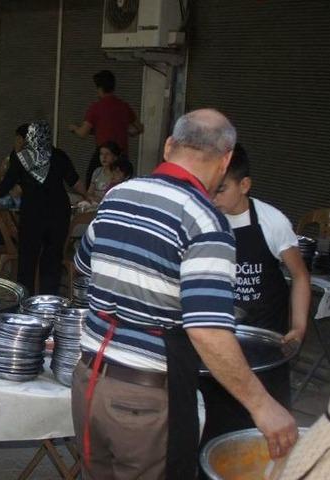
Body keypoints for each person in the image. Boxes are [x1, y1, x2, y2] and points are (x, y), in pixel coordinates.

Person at [72, 109, 298, 479]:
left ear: (168, 146)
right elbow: (206, 331)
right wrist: (263, 406)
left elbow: (84, 264)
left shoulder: (119, 194)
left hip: (88, 384)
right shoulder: (206, 222)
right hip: (141, 404)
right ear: (226, 160)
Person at [201, 144, 311, 446]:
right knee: (211, 427)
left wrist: (298, 328)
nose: (213, 198)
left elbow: (300, 276)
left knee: (264, 433)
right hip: (219, 342)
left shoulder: (271, 221)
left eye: (220, 190)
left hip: (264, 345)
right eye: (209, 189)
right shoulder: (204, 218)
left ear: (244, 185)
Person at [0, 122, 86, 295]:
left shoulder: (21, 158)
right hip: (58, 214)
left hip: (33, 215)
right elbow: (74, 182)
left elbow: (5, 185)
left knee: (28, 258)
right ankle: (48, 300)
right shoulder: (58, 156)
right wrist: (90, 196)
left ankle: (25, 298)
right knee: (52, 258)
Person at [68, 70, 143, 183]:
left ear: (99, 88)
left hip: (105, 155)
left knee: (92, 183)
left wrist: (74, 128)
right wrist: (124, 131)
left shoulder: (96, 107)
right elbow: (139, 128)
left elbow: (82, 133)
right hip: (122, 156)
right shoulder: (124, 106)